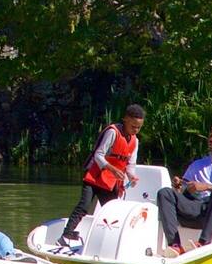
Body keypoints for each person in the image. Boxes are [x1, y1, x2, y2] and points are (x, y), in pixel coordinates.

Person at [56, 104, 146, 251]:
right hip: (94, 176)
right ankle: (65, 236)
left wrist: (131, 176)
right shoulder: (113, 132)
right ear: (125, 120)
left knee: (113, 212)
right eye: (133, 126)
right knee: (84, 206)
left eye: (139, 127)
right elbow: (99, 154)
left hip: (110, 182)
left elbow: (130, 163)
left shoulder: (135, 141)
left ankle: (111, 244)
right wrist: (112, 168)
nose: (136, 130)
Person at [155, 122, 212, 258]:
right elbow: (185, 192)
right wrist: (179, 188)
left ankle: (203, 243)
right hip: (200, 211)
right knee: (165, 193)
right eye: (210, 136)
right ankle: (175, 246)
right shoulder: (197, 164)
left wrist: (208, 186)